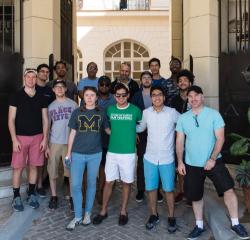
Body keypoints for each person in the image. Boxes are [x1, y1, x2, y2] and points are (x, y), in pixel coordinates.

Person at [176, 86, 250, 240]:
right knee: (195, 196)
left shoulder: (213, 115)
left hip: (214, 161)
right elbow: (179, 141)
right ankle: (199, 226)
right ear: (187, 99)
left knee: (228, 190)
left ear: (202, 97)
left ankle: (235, 223)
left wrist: (212, 158)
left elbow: (220, 138)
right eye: (190, 96)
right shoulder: (183, 118)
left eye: (197, 95)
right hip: (191, 164)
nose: (193, 98)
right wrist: (180, 162)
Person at [93, 83, 142, 226]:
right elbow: (105, 125)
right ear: (115, 96)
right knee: (109, 182)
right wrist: (109, 131)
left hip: (128, 153)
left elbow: (141, 125)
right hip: (112, 152)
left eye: (123, 95)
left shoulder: (135, 110)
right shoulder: (110, 109)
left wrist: (134, 134)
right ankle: (103, 211)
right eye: (118, 95)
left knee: (126, 183)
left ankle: (123, 211)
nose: (121, 97)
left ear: (128, 95)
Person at [66, 87, 110, 230]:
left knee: (91, 184)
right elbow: (72, 133)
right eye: (87, 95)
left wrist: (125, 130)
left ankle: (87, 214)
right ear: (83, 97)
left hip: (95, 154)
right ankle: (78, 215)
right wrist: (68, 153)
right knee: (76, 185)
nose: (90, 97)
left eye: (92, 95)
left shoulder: (101, 113)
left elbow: (108, 130)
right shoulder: (77, 112)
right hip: (77, 153)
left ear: (96, 97)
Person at [136, 86, 179, 232]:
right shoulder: (146, 113)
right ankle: (153, 214)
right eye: (153, 95)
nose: (156, 97)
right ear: (151, 98)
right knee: (151, 189)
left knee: (168, 190)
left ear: (164, 97)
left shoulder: (172, 113)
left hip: (167, 158)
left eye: (159, 95)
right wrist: (125, 126)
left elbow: (184, 124)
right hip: (150, 158)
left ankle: (172, 217)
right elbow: (140, 128)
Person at [8, 68, 48, 211]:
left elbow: (45, 120)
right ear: (24, 78)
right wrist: (14, 140)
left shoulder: (41, 97)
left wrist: (44, 139)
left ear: (36, 79)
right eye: (28, 77)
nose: (31, 79)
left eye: (33, 77)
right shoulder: (16, 95)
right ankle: (16, 196)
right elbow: (11, 119)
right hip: (20, 137)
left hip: (37, 137)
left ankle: (31, 193)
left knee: (34, 166)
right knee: (18, 167)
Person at [131, 71, 163, 202]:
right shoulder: (136, 96)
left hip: (158, 133)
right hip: (142, 135)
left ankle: (158, 190)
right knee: (141, 163)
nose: (146, 80)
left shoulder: (158, 94)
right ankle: (140, 190)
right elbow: (132, 115)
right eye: (144, 78)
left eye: (149, 78)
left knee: (159, 161)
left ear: (152, 80)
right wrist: (135, 132)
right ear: (141, 81)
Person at [46, 80, 78, 210]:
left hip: (69, 143)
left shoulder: (73, 104)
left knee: (70, 172)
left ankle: (71, 197)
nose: (59, 89)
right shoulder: (50, 106)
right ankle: (54, 196)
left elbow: (78, 125)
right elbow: (47, 126)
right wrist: (46, 144)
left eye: (62, 87)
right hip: (54, 142)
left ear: (65, 89)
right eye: (56, 87)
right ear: (53, 90)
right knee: (52, 171)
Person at [170, 69, 194, 204]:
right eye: (180, 81)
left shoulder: (194, 98)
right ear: (177, 84)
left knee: (192, 165)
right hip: (178, 136)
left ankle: (191, 193)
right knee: (180, 163)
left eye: (185, 80)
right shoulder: (174, 100)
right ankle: (182, 191)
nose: (182, 83)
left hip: (193, 137)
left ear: (190, 82)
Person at [35, 63, 55, 198]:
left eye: (47, 72)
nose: (44, 74)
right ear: (37, 73)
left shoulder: (49, 91)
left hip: (47, 126)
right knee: (35, 157)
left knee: (44, 157)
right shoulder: (31, 87)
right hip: (32, 127)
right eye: (42, 71)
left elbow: (54, 108)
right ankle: (35, 183)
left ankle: (40, 183)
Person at [96, 76, 116, 204]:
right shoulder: (92, 97)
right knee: (96, 164)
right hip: (93, 136)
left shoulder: (114, 100)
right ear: (98, 85)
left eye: (106, 85)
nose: (104, 87)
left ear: (110, 86)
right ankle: (97, 188)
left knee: (106, 163)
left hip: (109, 137)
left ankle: (103, 188)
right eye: (101, 85)